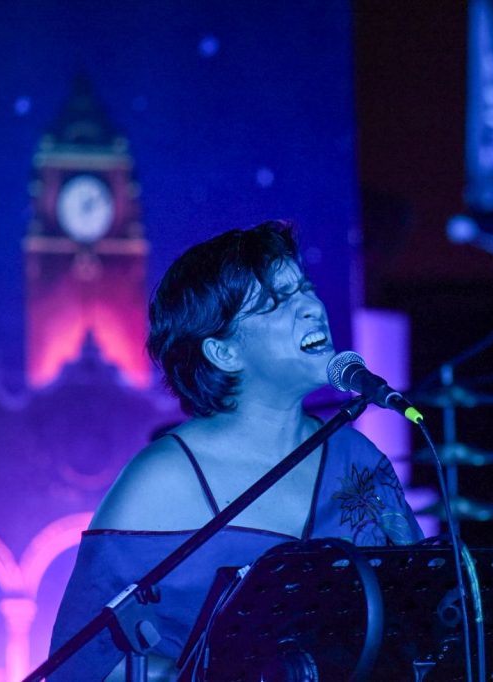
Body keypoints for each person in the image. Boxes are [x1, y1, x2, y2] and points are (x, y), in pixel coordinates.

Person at [48, 221, 423, 680]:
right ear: (223, 353)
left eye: (305, 289)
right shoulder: (162, 479)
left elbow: (420, 616)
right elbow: (81, 661)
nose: (311, 307)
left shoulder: (359, 460)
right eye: (276, 303)